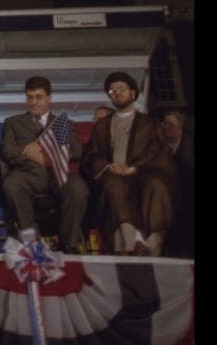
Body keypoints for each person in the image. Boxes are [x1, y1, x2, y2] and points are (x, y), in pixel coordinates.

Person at [80, 72, 178, 256]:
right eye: (112, 90)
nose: (116, 92)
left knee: (157, 185)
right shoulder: (102, 126)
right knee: (114, 185)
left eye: (121, 89)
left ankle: (153, 244)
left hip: (145, 173)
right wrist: (110, 166)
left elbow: (159, 152)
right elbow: (91, 157)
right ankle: (130, 243)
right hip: (113, 176)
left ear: (133, 94)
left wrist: (134, 167)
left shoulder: (150, 123)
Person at [0, 76, 88, 253]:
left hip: (58, 175)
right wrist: (28, 153)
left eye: (38, 97)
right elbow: (7, 151)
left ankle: (69, 245)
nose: (34, 102)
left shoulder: (63, 124)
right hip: (27, 175)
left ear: (49, 97)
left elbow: (76, 152)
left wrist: (46, 156)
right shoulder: (13, 122)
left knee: (78, 189)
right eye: (30, 97)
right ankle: (30, 241)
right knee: (12, 185)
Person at [162, 109, 194, 256]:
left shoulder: (190, 145)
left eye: (170, 123)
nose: (165, 126)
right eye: (164, 123)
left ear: (180, 127)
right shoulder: (160, 147)